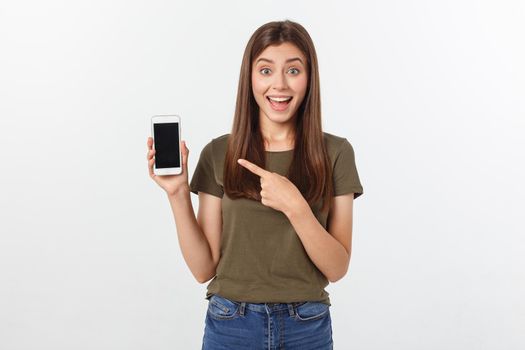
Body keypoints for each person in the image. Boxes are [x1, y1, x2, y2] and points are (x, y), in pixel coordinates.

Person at [146, 19, 363, 350]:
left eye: (293, 70)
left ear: (309, 78)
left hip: (307, 325)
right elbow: (204, 269)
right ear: (249, 78)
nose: (279, 84)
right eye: (265, 71)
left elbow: (337, 267)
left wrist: (295, 206)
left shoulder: (336, 153)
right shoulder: (220, 153)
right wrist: (177, 194)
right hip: (231, 323)